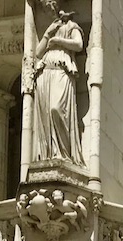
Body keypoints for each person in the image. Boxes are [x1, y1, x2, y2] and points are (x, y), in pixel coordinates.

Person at [32, 9, 85, 164]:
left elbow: (78, 44)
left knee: (56, 109)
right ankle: (49, 154)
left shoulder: (72, 26)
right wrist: (48, 34)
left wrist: (58, 41)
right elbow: (38, 52)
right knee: (46, 113)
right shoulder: (51, 27)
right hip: (45, 73)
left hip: (61, 70)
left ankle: (63, 153)